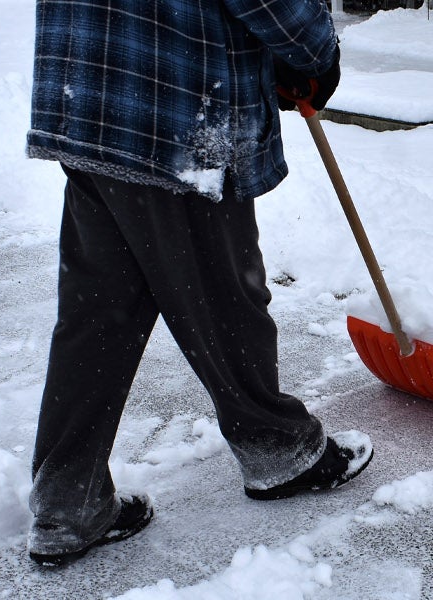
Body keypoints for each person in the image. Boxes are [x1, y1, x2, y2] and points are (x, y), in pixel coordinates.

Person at [24, 0, 374, 567]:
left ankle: (68, 499)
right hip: (174, 101)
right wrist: (313, 52)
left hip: (86, 89)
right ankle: (276, 449)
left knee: (99, 315)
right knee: (224, 294)